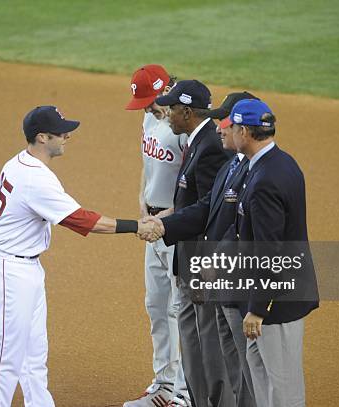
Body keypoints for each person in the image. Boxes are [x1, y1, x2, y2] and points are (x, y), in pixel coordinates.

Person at [0, 105, 158, 407]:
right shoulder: (35, 178)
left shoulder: (18, 163)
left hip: (25, 268)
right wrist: (136, 227)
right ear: (42, 137)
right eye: (61, 133)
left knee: (35, 354)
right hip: (9, 272)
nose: (67, 136)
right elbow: (81, 220)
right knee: (6, 359)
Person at [142, 92, 259, 407]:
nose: (218, 126)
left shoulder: (224, 156)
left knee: (227, 349)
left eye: (226, 121)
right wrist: (166, 223)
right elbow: (205, 204)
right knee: (204, 340)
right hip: (196, 259)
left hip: (215, 267)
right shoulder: (219, 155)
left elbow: (219, 217)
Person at [229, 99, 319, 407]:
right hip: (272, 299)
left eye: (234, 127)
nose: (230, 132)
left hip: (276, 304)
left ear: (245, 131)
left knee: (283, 389)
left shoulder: (266, 179)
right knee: (263, 380)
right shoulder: (280, 162)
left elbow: (271, 251)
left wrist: (258, 308)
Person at [153, 80, 231, 407]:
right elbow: (191, 198)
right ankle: (197, 401)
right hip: (187, 258)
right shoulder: (196, 140)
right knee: (192, 337)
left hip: (201, 262)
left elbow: (211, 211)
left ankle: (214, 401)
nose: (167, 113)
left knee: (209, 343)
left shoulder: (211, 145)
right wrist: (162, 216)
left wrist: (163, 225)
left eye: (172, 108)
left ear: (187, 111)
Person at [123, 64, 189, 407]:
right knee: (156, 306)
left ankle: (185, 390)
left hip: (177, 227)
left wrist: (163, 219)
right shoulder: (150, 118)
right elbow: (146, 169)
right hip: (153, 224)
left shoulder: (184, 128)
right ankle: (164, 384)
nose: (149, 108)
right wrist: (143, 208)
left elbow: (196, 190)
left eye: (152, 101)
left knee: (182, 309)